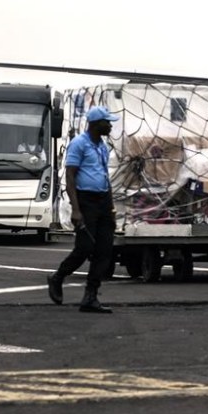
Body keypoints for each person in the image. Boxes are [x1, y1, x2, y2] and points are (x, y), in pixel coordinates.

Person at [46, 105, 120, 314]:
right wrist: (76, 209)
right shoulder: (79, 144)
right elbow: (70, 177)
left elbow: (105, 177)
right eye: (108, 122)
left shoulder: (102, 146)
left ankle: (91, 296)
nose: (111, 126)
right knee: (85, 247)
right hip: (85, 200)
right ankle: (57, 277)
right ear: (97, 124)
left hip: (103, 200)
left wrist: (111, 207)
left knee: (105, 250)